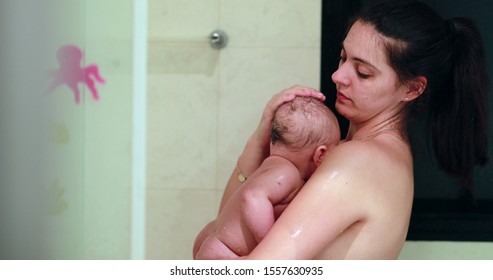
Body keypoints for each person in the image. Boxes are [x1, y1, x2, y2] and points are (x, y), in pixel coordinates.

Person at [218, 0, 489, 259]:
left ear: (412, 89)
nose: (338, 76)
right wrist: (260, 138)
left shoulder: (360, 160)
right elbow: (228, 229)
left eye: (362, 72)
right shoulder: (377, 154)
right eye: (343, 57)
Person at [193, 97, 340, 259]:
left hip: (217, 242)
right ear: (321, 154)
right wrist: (271, 245)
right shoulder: (287, 173)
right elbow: (254, 197)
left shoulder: (268, 167)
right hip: (226, 251)